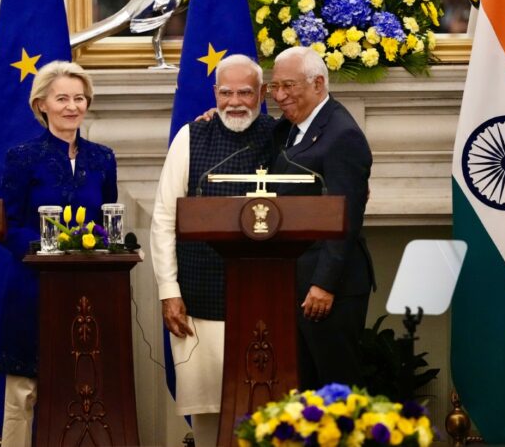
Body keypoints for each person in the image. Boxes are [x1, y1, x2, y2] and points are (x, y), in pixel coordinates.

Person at [150, 54, 275, 447]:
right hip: (197, 300)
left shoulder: (281, 135)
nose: (234, 102)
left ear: (262, 94)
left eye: (245, 92)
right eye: (226, 92)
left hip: (263, 298)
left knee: (264, 405)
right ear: (214, 93)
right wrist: (169, 291)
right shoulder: (191, 136)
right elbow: (164, 219)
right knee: (207, 412)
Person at [0, 61, 118, 447]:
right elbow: (9, 224)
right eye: (62, 98)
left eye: (79, 98)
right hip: (32, 288)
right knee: (23, 390)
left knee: (85, 387)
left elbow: (107, 220)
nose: (72, 106)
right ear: (42, 105)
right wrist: (43, 250)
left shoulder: (102, 158)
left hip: (89, 292)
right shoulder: (22, 157)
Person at [268, 46, 375, 390]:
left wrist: (324, 284)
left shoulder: (342, 135)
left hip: (329, 290)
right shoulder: (291, 126)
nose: (280, 96)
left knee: (336, 392)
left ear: (317, 84)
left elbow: (345, 217)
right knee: (305, 392)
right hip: (294, 282)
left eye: (288, 86)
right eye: (274, 87)